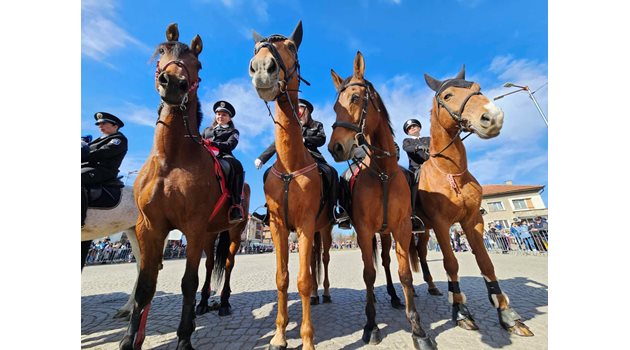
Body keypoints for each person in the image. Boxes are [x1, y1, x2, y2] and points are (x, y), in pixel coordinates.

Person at [253, 98, 346, 226]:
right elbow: (277, 143)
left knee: (332, 172)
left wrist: (305, 139)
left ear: (307, 111)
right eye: (295, 109)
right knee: (269, 174)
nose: (297, 111)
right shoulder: (289, 126)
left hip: (313, 156)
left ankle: (334, 211)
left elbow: (321, 139)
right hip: (290, 159)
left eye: (300, 108)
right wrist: (262, 158)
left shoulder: (316, 125)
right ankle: (269, 213)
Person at [81, 112, 128, 226]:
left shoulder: (119, 139)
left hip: (103, 170)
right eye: (98, 124)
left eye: (104, 123)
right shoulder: (96, 140)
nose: (100, 126)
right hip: (89, 167)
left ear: (115, 126)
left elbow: (104, 152)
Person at [202, 100, 245, 223]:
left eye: (224, 115)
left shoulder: (233, 132)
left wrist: (213, 143)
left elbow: (230, 145)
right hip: (205, 154)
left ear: (229, 118)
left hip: (223, 155)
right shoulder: (206, 130)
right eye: (219, 114)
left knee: (237, 166)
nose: (220, 117)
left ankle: (236, 204)